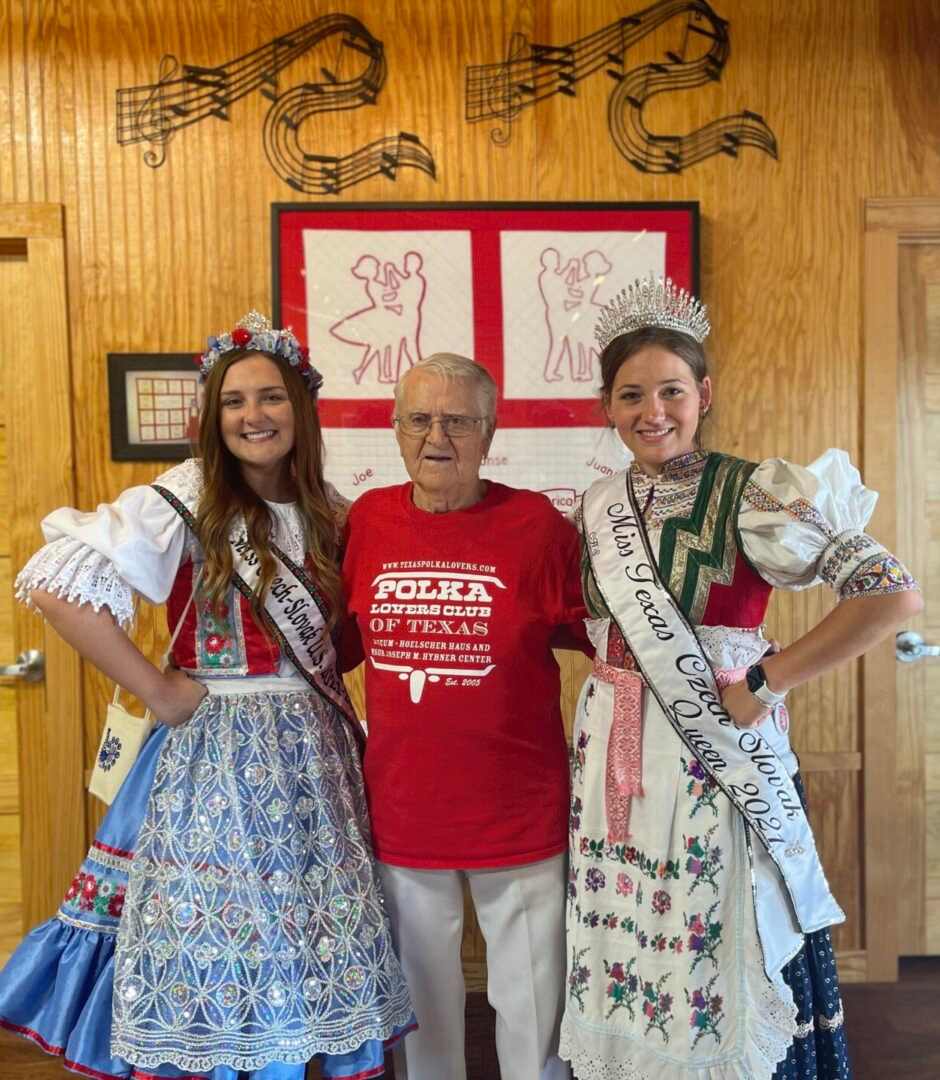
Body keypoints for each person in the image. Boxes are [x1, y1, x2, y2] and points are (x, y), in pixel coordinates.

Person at [0, 312, 414, 1079]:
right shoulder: (189, 496)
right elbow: (55, 585)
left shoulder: (328, 507)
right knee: (227, 931)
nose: (253, 416)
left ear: (301, 407)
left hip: (314, 755)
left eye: (271, 398)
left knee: (296, 934)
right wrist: (158, 691)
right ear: (212, 416)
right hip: (217, 749)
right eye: (233, 402)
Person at [559, 276, 923, 1080]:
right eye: (630, 395)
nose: (652, 411)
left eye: (670, 390)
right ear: (606, 408)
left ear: (704, 394)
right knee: (635, 949)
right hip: (614, 770)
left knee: (719, 937)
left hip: (714, 763)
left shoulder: (754, 492)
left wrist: (766, 680)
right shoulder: (594, 506)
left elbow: (892, 593)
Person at [342, 353, 588, 1080]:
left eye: (457, 420)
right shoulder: (367, 519)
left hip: (519, 808)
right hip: (405, 807)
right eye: (419, 418)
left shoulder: (537, 524)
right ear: (395, 428)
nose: (436, 436)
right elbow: (336, 647)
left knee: (533, 1001)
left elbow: (605, 637)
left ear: (490, 431)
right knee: (423, 1009)